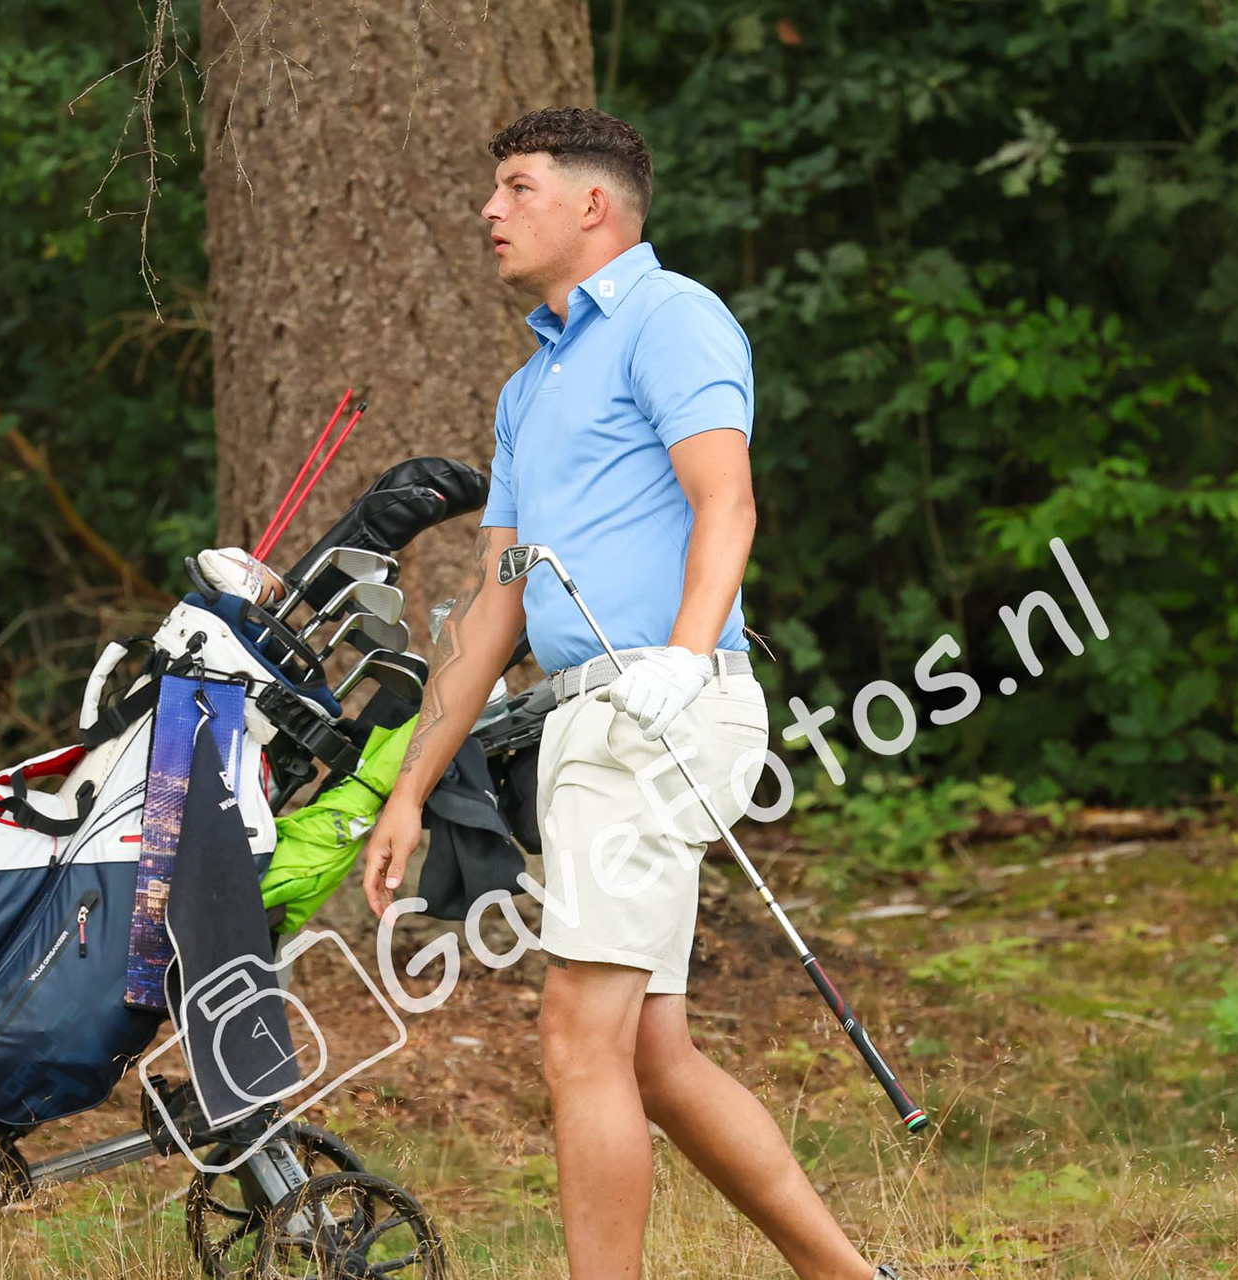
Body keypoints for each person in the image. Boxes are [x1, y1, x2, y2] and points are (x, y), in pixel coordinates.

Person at [359, 107, 900, 1280]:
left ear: (592, 205)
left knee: (575, 1036)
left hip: (661, 702)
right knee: (650, 1052)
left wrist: (684, 655)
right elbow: (497, 602)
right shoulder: (526, 388)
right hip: (591, 715)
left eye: (515, 187)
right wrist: (409, 784)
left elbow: (727, 500)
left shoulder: (673, 316)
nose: (489, 211)